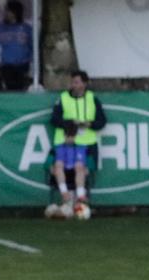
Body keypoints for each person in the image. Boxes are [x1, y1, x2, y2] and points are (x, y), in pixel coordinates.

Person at [50, 70, 106, 210]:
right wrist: (70, 123)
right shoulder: (63, 98)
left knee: (81, 169)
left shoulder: (93, 99)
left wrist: (89, 124)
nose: (73, 85)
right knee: (60, 168)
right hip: (65, 143)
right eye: (72, 82)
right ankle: (67, 199)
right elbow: (54, 120)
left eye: (77, 82)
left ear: (84, 83)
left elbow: (102, 121)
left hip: (87, 144)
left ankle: (80, 200)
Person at [0, 2, 33, 92]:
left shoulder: (26, 28)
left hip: (23, 65)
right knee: (10, 90)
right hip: (6, 66)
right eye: (5, 11)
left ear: (15, 12)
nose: (5, 13)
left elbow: (32, 48)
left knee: (21, 91)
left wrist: (32, 66)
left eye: (8, 11)